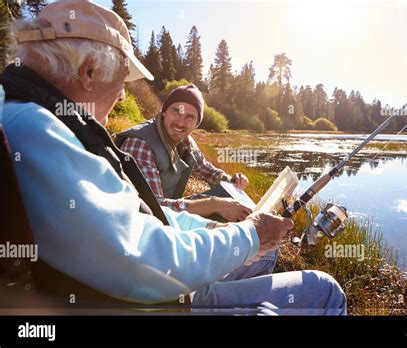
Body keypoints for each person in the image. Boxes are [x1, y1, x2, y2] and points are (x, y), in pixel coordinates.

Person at [0, 0, 346, 315]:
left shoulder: (42, 118)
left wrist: (215, 219)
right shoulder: (39, 128)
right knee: (321, 293)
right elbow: (142, 259)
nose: (122, 96)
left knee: (274, 260)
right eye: (122, 80)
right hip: (155, 300)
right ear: (89, 71)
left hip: (151, 288)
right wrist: (248, 233)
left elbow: (137, 213)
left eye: (191, 116)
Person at [116, 84, 252, 223]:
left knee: (230, 194)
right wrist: (214, 205)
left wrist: (232, 181)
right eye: (176, 111)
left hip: (167, 215)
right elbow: (152, 208)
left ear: (196, 124)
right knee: (222, 208)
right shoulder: (140, 143)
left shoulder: (187, 142)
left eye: (190, 117)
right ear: (164, 112)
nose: (180, 123)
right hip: (143, 222)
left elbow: (207, 170)